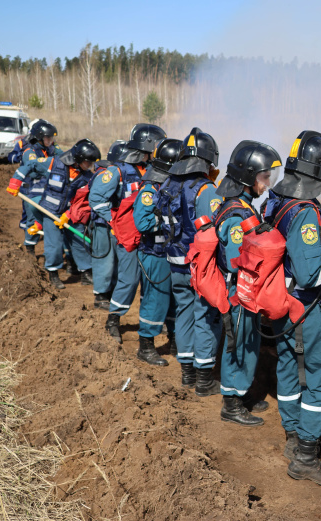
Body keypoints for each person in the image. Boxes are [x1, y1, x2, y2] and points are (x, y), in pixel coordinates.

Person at [264, 130, 321, 485]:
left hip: (277, 302)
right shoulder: (306, 213)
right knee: (319, 380)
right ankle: (306, 458)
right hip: (304, 307)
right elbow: (310, 274)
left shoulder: (277, 198)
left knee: (287, 367)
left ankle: (292, 436)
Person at [212, 141, 282, 421]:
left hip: (245, 291)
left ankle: (240, 393)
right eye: (264, 177)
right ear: (247, 177)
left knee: (248, 343)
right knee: (238, 345)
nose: (267, 184)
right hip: (239, 293)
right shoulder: (236, 214)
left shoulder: (244, 206)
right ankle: (231, 405)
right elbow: (234, 260)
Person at [154, 127, 222, 390]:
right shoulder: (206, 190)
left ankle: (187, 373)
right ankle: (204, 378)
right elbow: (215, 229)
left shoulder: (167, 184)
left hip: (174, 262)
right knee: (205, 316)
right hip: (199, 267)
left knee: (183, 312)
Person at [90, 124, 166, 343]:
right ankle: (113, 320)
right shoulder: (119, 171)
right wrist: (114, 221)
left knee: (150, 281)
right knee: (129, 280)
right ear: (148, 145)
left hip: (150, 235)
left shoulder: (154, 169)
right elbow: (96, 199)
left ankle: (149, 322)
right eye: (157, 144)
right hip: (128, 237)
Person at [133, 138, 181, 366]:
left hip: (168, 253)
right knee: (156, 300)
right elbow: (142, 223)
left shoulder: (168, 185)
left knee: (172, 300)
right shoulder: (150, 189)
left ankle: (174, 341)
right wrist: (168, 222)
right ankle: (146, 346)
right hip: (154, 253)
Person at [35, 139, 100, 289]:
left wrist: (69, 214)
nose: (90, 165)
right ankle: (53, 273)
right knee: (54, 244)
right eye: (88, 162)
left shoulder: (86, 177)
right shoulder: (55, 163)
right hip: (50, 210)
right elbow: (31, 165)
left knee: (79, 240)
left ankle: (86, 272)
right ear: (78, 159)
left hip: (71, 213)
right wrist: (16, 181)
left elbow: (83, 200)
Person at [5, 119, 62, 255]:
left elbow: (64, 157)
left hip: (49, 190)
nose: (51, 140)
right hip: (31, 190)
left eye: (51, 138)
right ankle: (30, 248)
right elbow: (34, 168)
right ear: (39, 137)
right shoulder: (29, 151)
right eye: (48, 138)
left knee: (52, 218)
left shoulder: (53, 148)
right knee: (31, 218)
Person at [88, 141, 126, 310]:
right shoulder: (107, 174)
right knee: (104, 258)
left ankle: (111, 291)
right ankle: (101, 294)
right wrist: (112, 218)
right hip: (103, 223)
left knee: (117, 261)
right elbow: (96, 198)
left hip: (117, 224)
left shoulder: (123, 172)